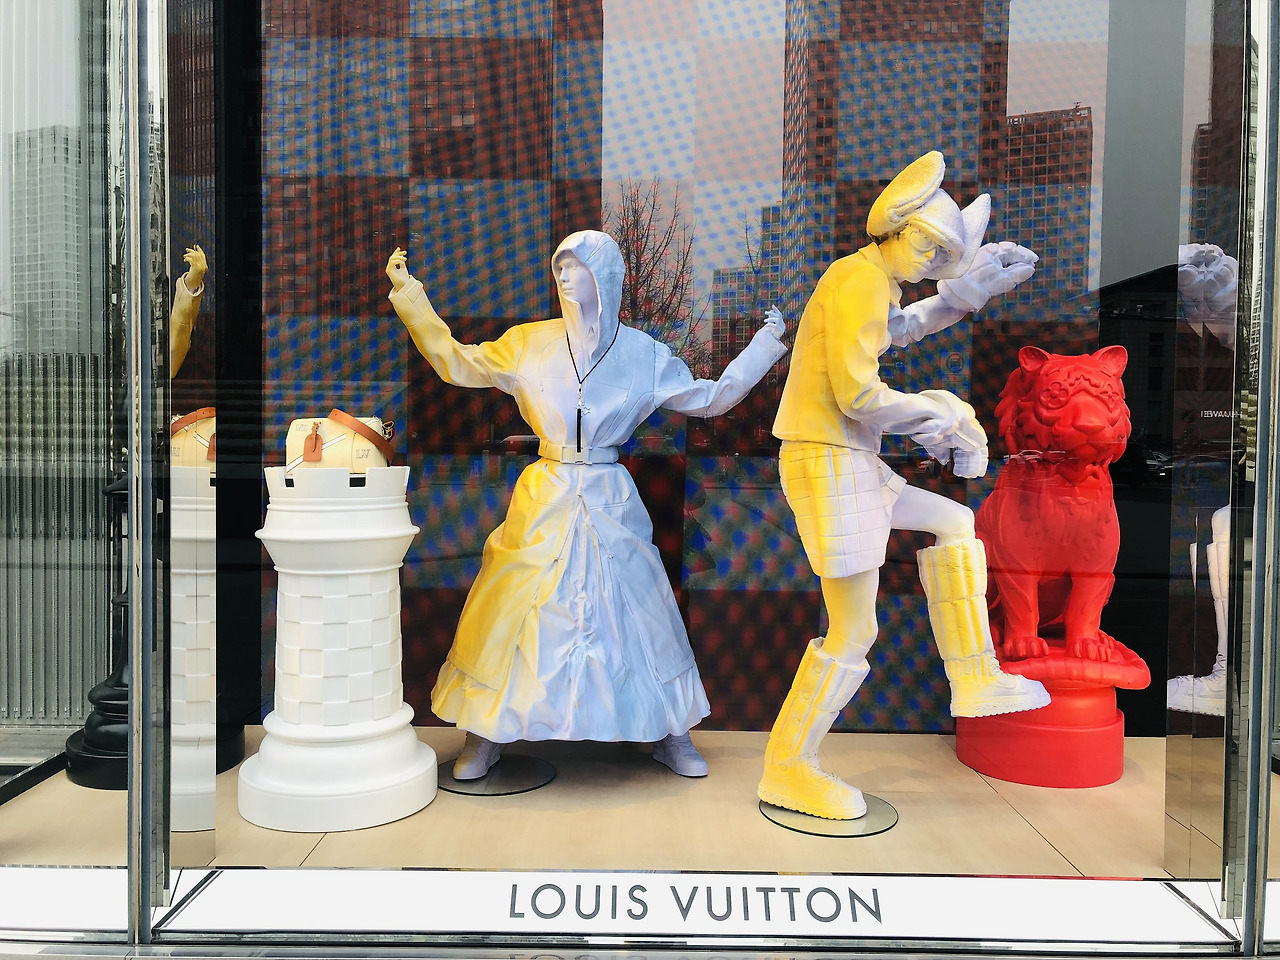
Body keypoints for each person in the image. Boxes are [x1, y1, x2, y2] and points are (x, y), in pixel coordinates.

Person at [385, 230, 787, 779]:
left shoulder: (643, 354)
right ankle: (486, 731)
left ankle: (671, 730)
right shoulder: (529, 343)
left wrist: (764, 345)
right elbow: (457, 362)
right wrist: (411, 297)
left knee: (642, 608)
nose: (565, 277)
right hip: (546, 493)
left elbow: (710, 398)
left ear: (607, 277)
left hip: (608, 494)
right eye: (560, 267)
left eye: (577, 266)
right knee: (511, 605)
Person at [761, 151, 1050, 820]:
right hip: (830, 457)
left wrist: (963, 293)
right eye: (926, 246)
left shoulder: (866, 279)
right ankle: (788, 767)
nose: (928, 262)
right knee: (854, 628)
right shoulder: (858, 279)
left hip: (846, 457)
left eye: (940, 255)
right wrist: (945, 413)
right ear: (894, 225)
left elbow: (899, 330)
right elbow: (859, 395)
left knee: (954, 522)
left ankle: (974, 676)